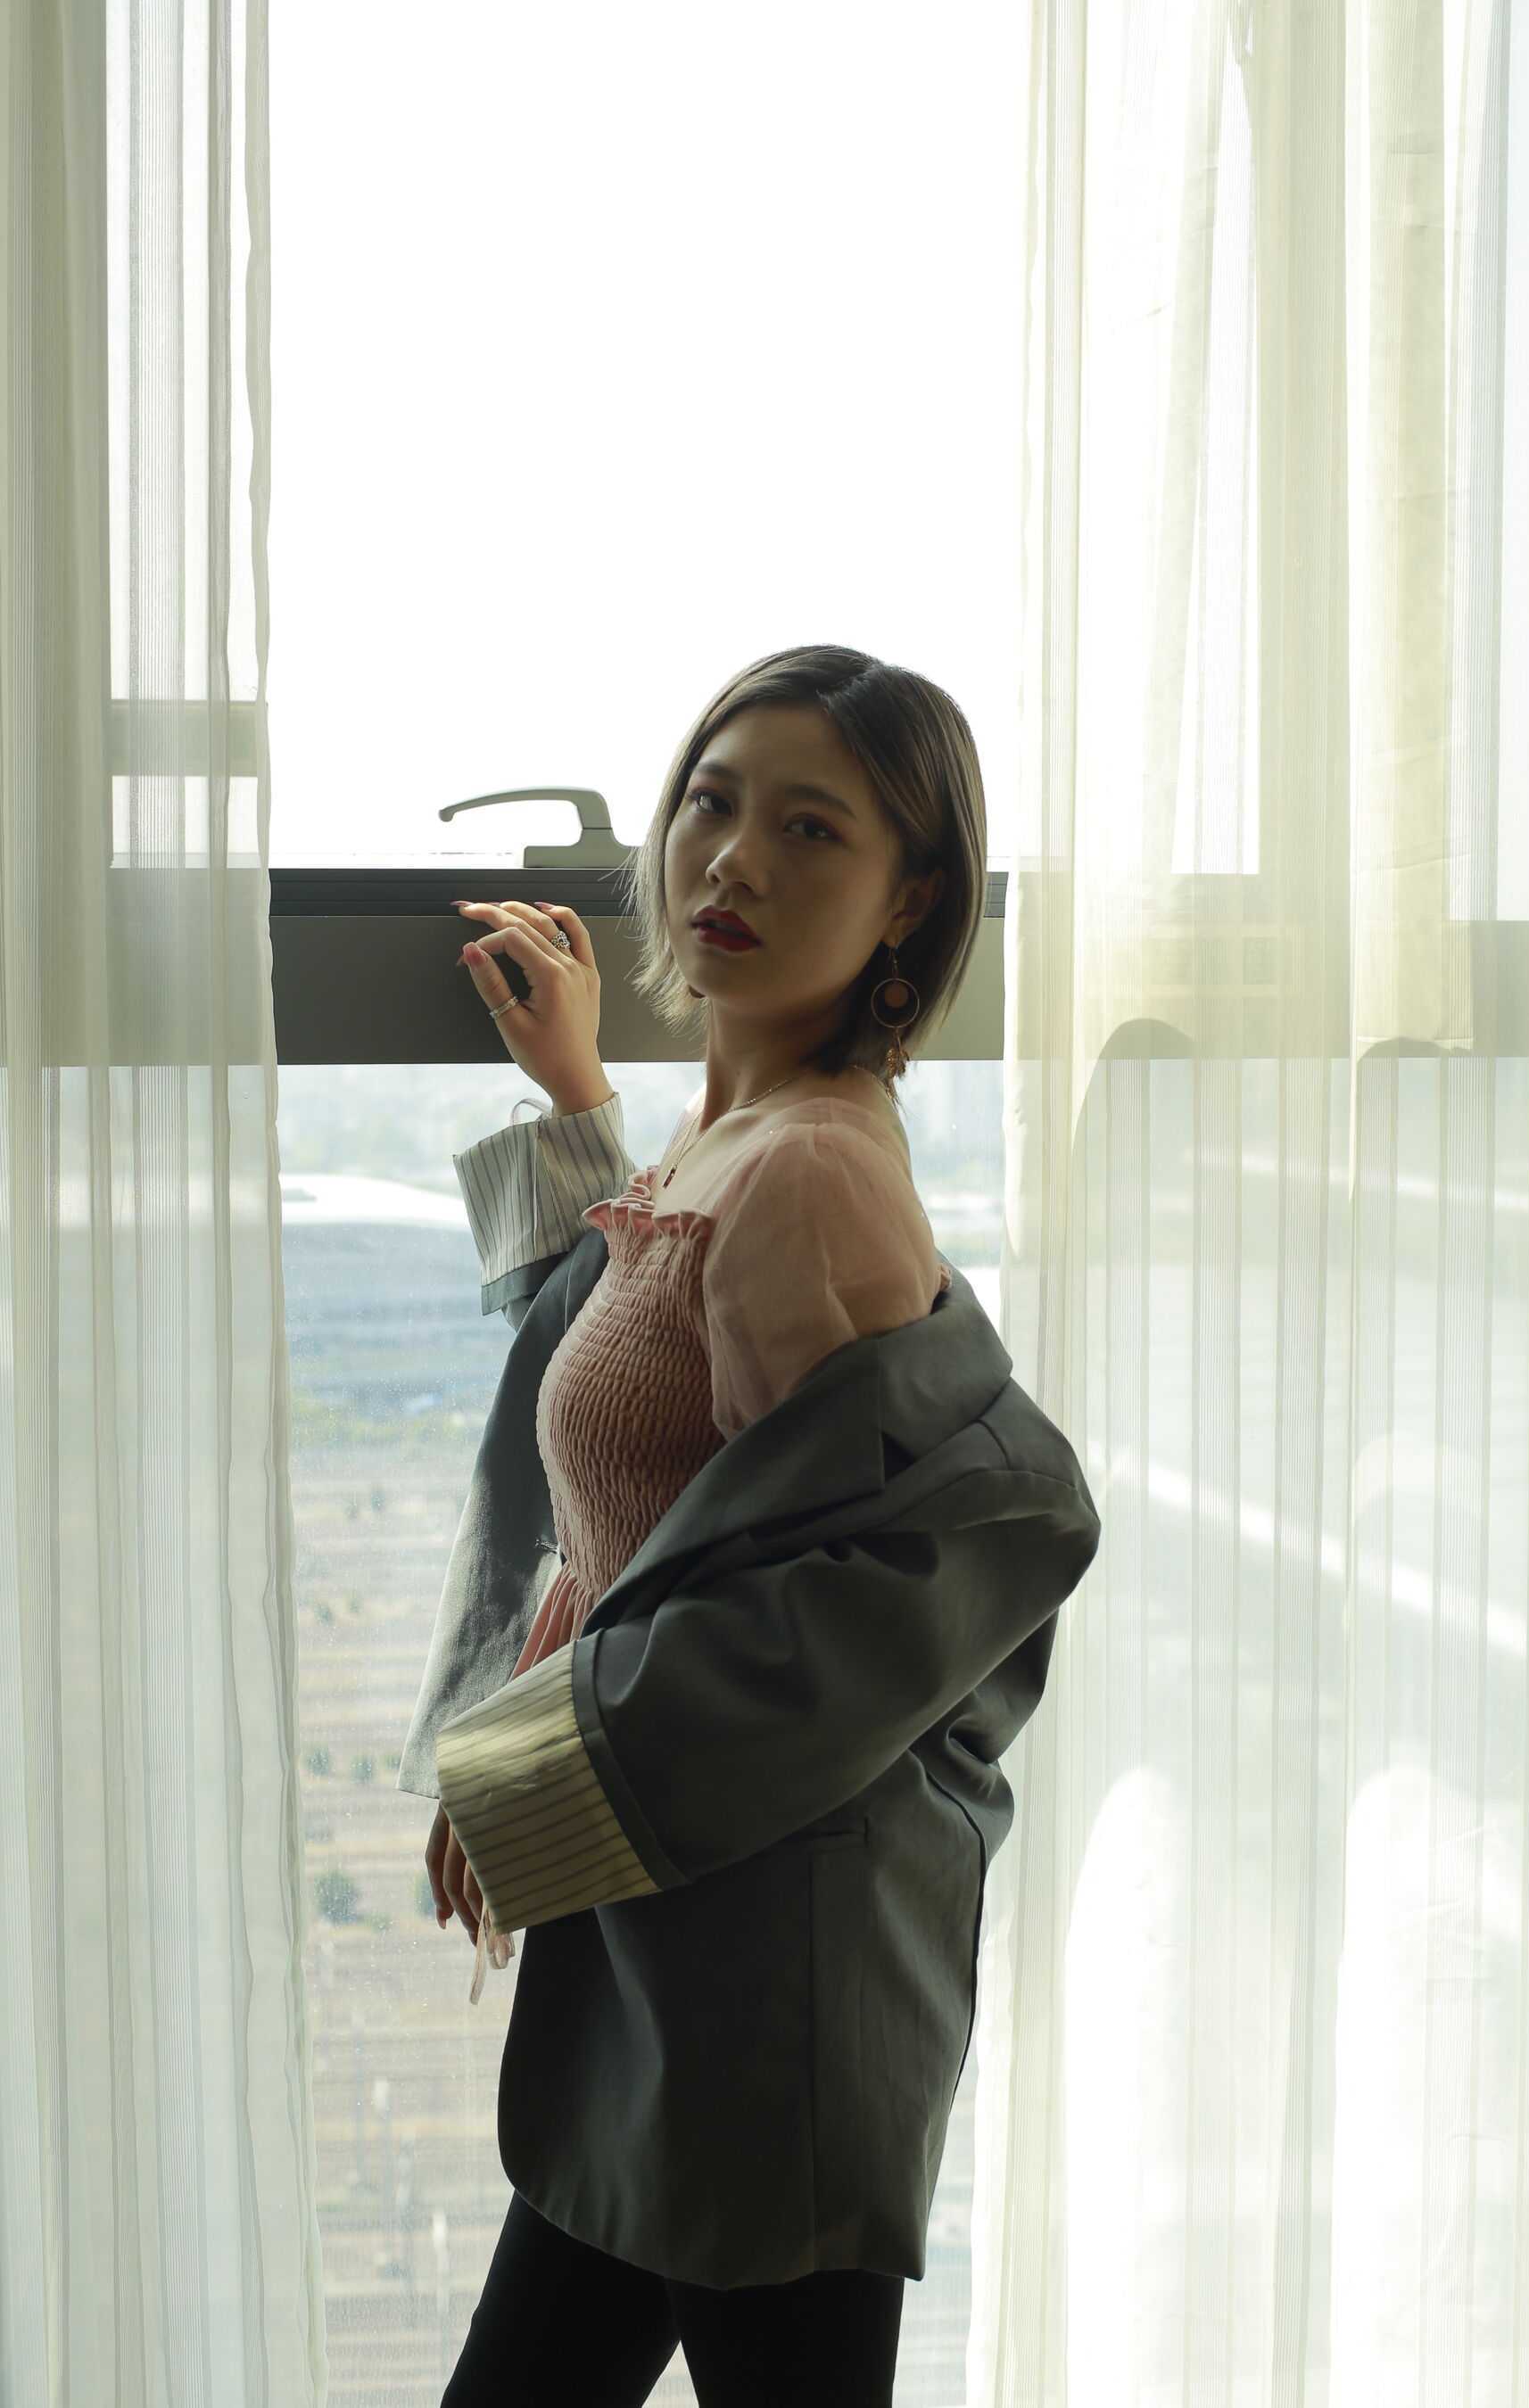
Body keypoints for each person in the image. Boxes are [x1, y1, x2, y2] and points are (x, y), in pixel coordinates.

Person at [404, 648, 1102, 2405]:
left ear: (909, 899)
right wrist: (574, 1094)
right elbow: (629, 1409)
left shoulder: (810, 1177)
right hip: (690, 1963)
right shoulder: (738, 1139)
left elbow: (865, 1608)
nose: (735, 859)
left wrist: (529, 1780)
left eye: (811, 829)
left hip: (771, 1991)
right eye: (713, 803)